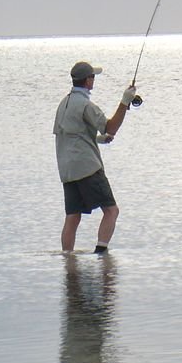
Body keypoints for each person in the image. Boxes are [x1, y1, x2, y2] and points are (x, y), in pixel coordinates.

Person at [54, 61, 136, 254]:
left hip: (66, 170)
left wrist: (97, 139)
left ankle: (67, 258)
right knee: (111, 211)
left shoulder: (63, 103)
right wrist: (125, 101)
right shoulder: (86, 105)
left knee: (72, 217)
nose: (94, 80)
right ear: (88, 81)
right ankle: (101, 255)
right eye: (93, 77)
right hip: (88, 168)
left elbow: (68, 134)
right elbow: (111, 127)